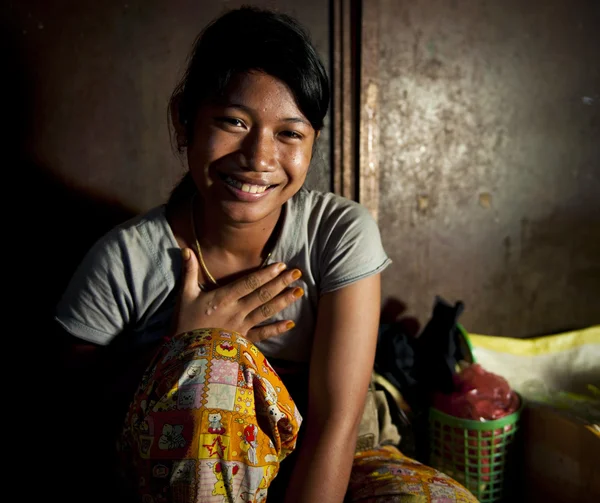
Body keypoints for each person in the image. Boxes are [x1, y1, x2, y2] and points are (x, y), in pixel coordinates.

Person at [56, 6, 479, 503]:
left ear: (312, 142)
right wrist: (181, 347)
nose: (259, 158)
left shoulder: (337, 233)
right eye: (233, 122)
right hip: (182, 477)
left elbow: (336, 425)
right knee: (209, 360)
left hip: (340, 461)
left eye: (289, 133)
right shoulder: (124, 261)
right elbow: (71, 413)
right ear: (183, 121)